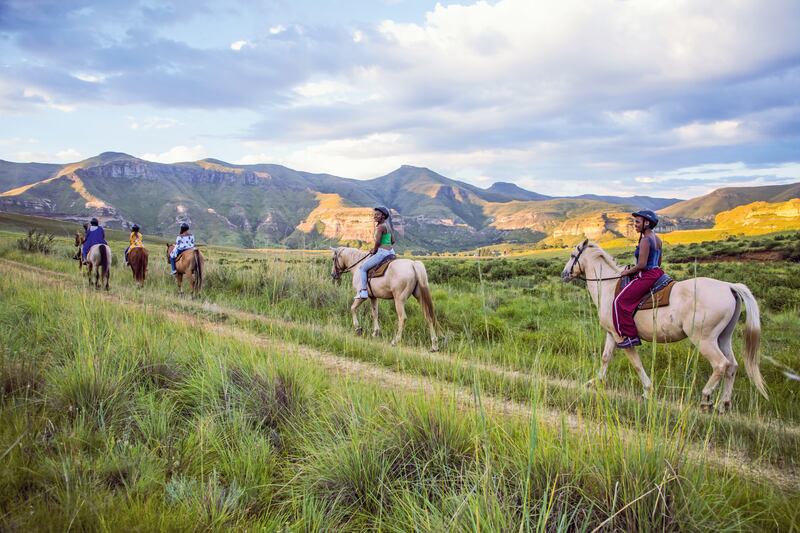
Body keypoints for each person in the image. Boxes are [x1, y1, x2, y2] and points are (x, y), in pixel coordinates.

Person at [612, 210, 664, 348]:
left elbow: (641, 265)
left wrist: (627, 272)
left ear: (647, 223)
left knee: (619, 301)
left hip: (647, 275)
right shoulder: (657, 239)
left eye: (637, 222)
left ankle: (630, 336)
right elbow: (658, 263)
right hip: (657, 272)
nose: (635, 224)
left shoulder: (646, 240)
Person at [355, 206, 396, 299]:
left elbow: (377, 242)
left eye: (377, 214)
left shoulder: (380, 227)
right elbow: (393, 241)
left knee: (363, 268)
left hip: (382, 253)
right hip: (391, 252)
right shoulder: (388, 226)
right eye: (375, 214)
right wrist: (386, 243)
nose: (375, 216)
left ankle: (364, 291)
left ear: (383, 216)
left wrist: (374, 250)